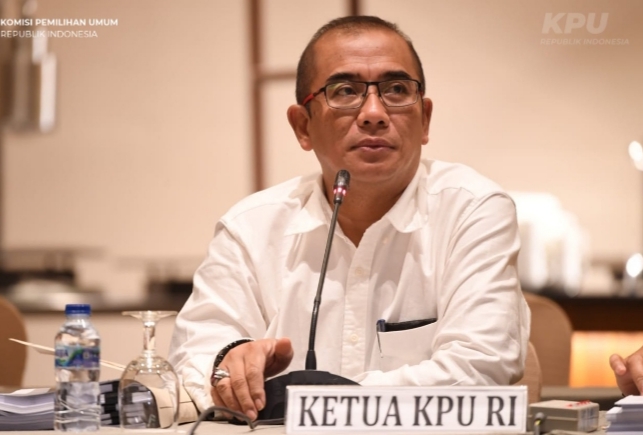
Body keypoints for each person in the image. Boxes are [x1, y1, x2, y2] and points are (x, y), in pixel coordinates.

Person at [168, 15, 530, 422]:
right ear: (303, 126)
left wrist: (321, 405)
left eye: (396, 90)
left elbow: (479, 368)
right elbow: (194, 359)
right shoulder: (250, 228)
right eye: (345, 91)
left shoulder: (473, 209)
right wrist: (230, 365)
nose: (374, 113)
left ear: (425, 119)